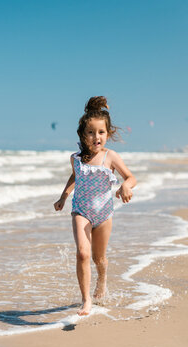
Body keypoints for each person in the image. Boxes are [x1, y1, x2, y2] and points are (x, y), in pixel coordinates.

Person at [53, 96, 137, 316]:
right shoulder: (76, 159)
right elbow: (75, 176)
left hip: (104, 213)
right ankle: (86, 300)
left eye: (101, 132)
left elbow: (130, 177)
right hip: (81, 210)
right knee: (83, 254)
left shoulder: (111, 157)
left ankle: (103, 277)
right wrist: (64, 196)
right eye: (91, 132)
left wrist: (126, 188)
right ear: (83, 135)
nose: (96, 137)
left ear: (107, 134)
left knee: (99, 258)